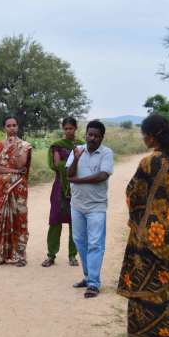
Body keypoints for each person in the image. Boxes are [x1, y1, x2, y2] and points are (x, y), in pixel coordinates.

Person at [116, 114, 169, 337]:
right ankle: (164, 331)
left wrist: (138, 217)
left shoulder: (148, 162)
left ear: (152, 136)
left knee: (143, 280)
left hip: (147, 234)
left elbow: (132, 193)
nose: (143, 139)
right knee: (161, 282)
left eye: (144, 135)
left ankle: (141, 333)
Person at [65, 120, 114, 298]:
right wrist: (76, 159)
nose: (92, 138)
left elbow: (103, 175)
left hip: (96, 206)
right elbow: (69, 174)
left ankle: (94, 283)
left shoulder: (106, 152)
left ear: (102, 137)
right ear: (85, 134)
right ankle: (88, 277)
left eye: (96, 136)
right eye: (89, 134)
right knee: (80, 241)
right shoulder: (77, 150)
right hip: (77, 205)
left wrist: (79, 180)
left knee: (95, 244)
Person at [0, 116, 33, 267]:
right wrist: (14, 171)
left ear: (18, 127)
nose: (12, 128)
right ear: (4, 128)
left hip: (19, 189)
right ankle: (0, 254)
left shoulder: (25, 146)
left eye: (14, 125)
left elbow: (21, 164)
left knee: (19, 219)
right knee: (0, 220)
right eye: (8, 126)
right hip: (2, 188)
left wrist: (14, 146)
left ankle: (21, 256)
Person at [42, 117, 83, 268]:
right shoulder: (57, 146)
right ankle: (51, 255)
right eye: (66, 128)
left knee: (75, 221)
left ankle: (72, 255)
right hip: (60, 186)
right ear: (63, 129)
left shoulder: (81, 145)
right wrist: (74, 158)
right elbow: (58, 164)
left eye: (71, 128)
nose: (68, 131)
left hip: (76, 186)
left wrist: (77, 154)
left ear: (76, 128)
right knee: (55, 220)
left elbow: (84, 164)